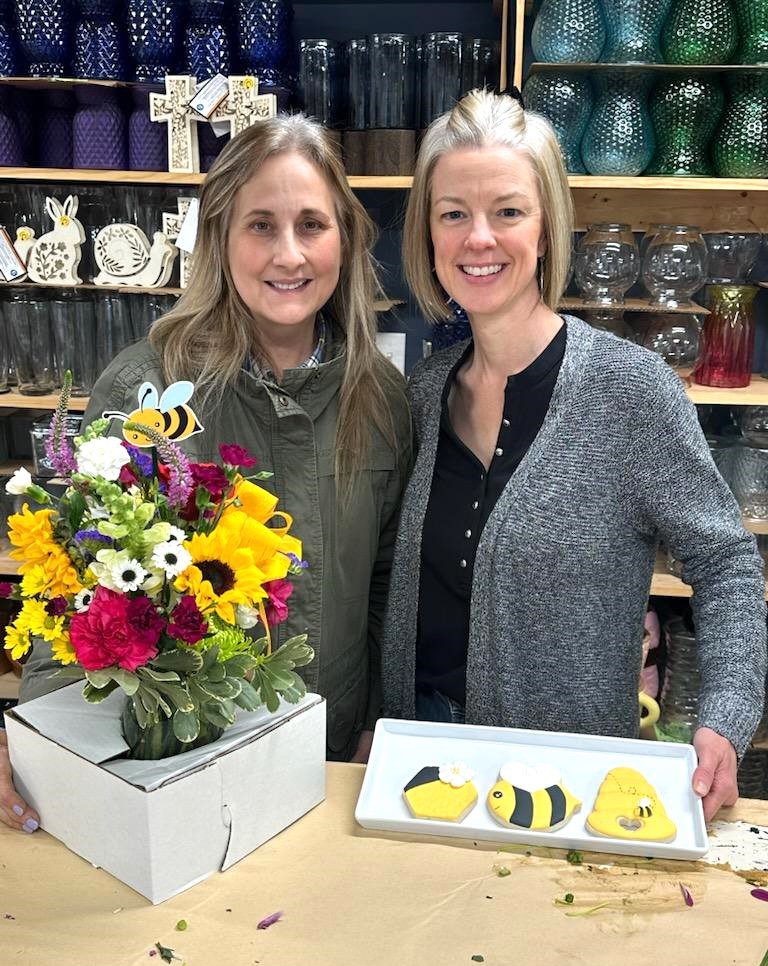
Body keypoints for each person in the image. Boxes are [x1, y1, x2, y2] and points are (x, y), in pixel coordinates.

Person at [0, 113, 410, 832]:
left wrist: (383, 721)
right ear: (218, 238)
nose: (289, 254)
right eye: (260, 225)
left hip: (332, 759)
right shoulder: (144, 394)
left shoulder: (379, 397)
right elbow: (72, 596)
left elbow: (385, 587)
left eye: (312, 224)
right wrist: (41, 746)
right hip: (175, 774)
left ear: (345, 239)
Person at [381, 88, 766, 822]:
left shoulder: (631, 391)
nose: (479, 238)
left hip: (572, 786)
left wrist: (724, 714)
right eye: (453, 212)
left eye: (508, 211)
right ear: (428, 234)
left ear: (548, 225)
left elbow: (725, 563)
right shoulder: (424, 394)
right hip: (422, 770)